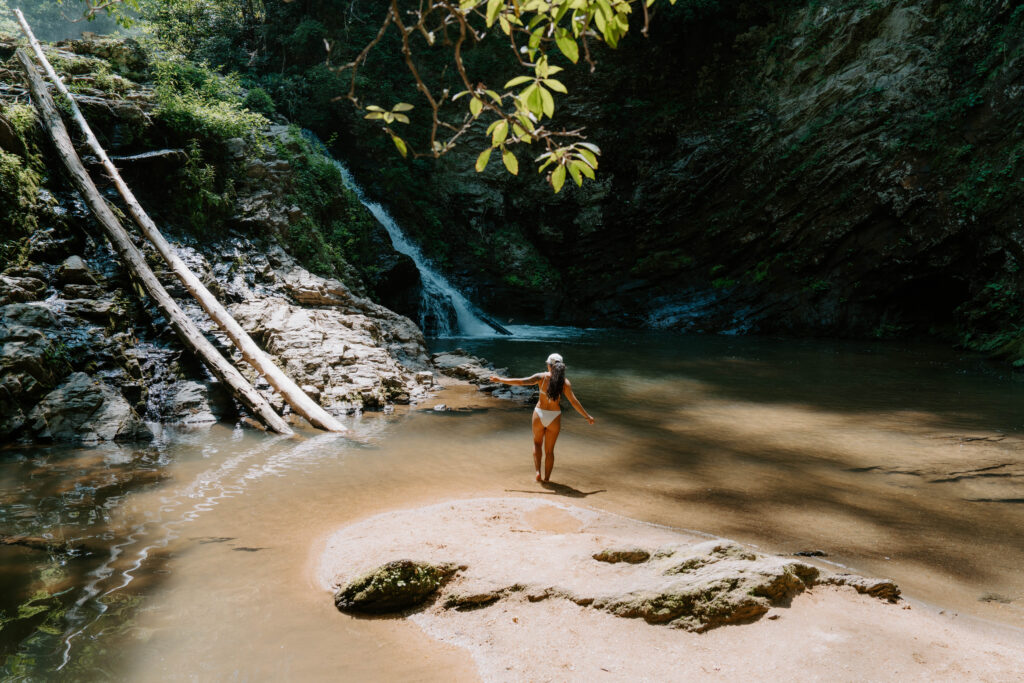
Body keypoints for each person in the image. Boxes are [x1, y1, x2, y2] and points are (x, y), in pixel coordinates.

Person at [490, 353, 595, 482]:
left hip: (539, 414)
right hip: (554, 416)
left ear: (549, 365)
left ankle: (538, 472)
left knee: (537, 443)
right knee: (550, 451)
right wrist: (587, 416)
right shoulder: (565, 383)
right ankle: (547, 479)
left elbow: (522, 381)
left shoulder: (541, 377)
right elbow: (574, 402)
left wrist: (500, 379)